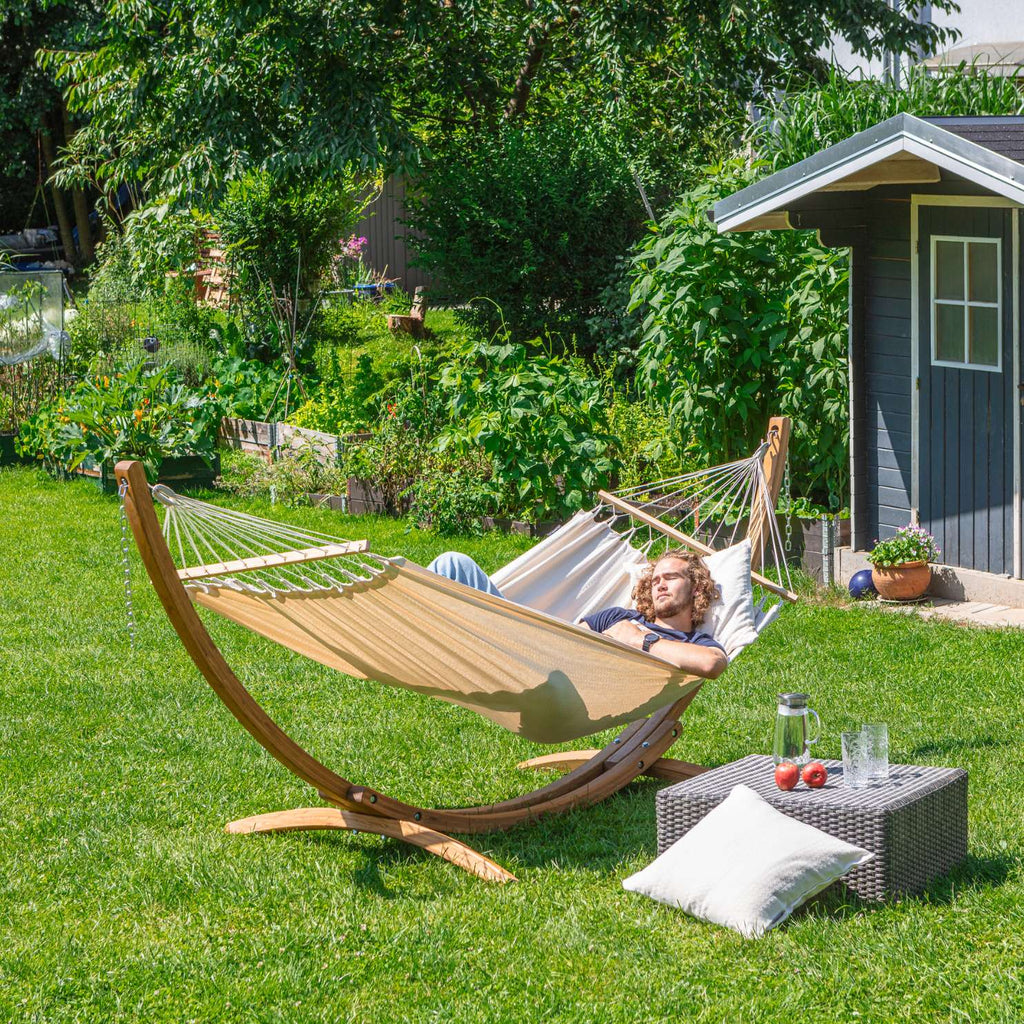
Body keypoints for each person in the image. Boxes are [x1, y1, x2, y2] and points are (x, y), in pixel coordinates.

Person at [426, 547, 728, 678]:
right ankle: (401, 620)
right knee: (453, 565)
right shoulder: (618, 617)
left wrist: (640, 641)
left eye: (671, 578)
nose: (659, 584)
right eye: (655, 580)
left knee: (452, 565)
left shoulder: (692, 643)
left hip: (551, 680)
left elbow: (712, 664)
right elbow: (567, 640)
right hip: (538, 650)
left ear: (697, 589)